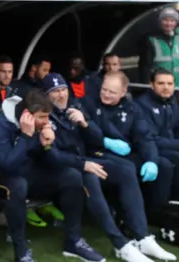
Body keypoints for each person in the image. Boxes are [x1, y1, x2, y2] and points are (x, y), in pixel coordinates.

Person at [42, 73, 172, 262]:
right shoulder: (44, 114)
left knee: (126, 171)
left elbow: (96, 137)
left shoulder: (74, 106)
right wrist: (84, 163)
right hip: (67, 167)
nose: (61, 95)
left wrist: (85, 124)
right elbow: (51, 155)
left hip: (83, 159)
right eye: (54, 92)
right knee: (91, 177)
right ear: (46, 95)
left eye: (63, 90)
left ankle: (142, 237)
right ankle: (121, 244)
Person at [0, 88, 104, 262]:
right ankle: (21, 252)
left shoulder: (40, 124)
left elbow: (49, 158)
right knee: (17, 185)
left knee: (72, 176)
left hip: (27, 171)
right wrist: (25, 136)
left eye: (48, 116)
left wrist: (46, 145)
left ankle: (73, 242)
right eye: (42, 117)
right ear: (27, 115)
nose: (47, 122)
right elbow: (7, 164)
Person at [80, 71, 177, 259]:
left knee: (164, 165)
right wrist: (106, 141)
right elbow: (87, 134)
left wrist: (151, 160)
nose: (106, 94)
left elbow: (144, 137)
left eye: (112, 92)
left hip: (124, 153)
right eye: (104, 89)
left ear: (124, 92)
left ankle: (147, 223)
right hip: (98, 153)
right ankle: (136, 231)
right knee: (127, 169)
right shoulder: (88, 103)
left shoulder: (132, 108)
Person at [136, 68, 179, 202]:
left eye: (170, 84)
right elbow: (151, 140)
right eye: (161, 83)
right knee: (177, 157)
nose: (166, 87)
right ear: (152, 85)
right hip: (153, 149)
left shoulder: (171, 101)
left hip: (171, 144)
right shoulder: (141, 104)